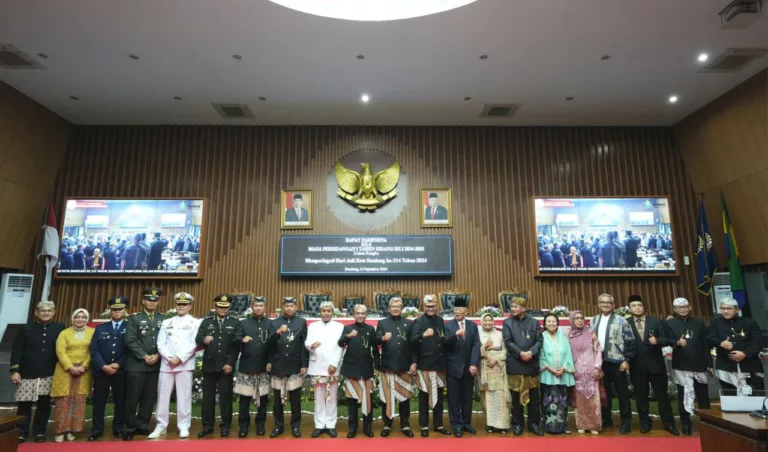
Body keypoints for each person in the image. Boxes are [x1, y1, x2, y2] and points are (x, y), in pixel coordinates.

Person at [10, 300, 65, 443]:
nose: (45, 313)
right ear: (36, 313)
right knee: (24, 404)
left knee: (44, 404)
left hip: (49, 372)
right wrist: (14, 371)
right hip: (26, 373)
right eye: (42, 310)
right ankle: (21, 432)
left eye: (49, 311)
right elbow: (17, 351)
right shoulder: (26, 328)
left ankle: (39, 431)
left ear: (53, 313)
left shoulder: (60, 328)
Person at [148, 292, 200, 439]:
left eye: (184, 304)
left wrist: (180, 357)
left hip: (184, 364)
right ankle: (160, 426)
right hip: (167, 364)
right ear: (175, 305)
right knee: (162, 396)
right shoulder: (167, 322)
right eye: (179, 304)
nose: (181, 306)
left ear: (190, 306)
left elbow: (194, 343)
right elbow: (160, 342)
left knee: (184, 396)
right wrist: (169, 357)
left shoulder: (195, 323)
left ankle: (183, 426)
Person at [627, 294, 679, 435]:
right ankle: (645, 423)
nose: (637, 308)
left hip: (656, 366)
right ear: (629, 308)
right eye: (634, 306)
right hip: (637, 367)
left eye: (640, 305)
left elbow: (669, 339)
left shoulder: (655, 321)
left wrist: (658, 341)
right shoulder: (626, 323)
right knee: (641, 398)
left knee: (662, 397)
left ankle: (669, 423)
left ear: (643, 307)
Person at [197, 294, 243, 438]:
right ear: (215, 307)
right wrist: (203, 340)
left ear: (229, 307)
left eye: (226, 307)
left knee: (225, 398)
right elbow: (198, 338)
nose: (223, 309)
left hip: (225, 366)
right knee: (208, 398)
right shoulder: (206, 322)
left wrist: (230, 363)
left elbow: (236, 346)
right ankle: (207, 426)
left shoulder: (235, 322)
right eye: (220, 307)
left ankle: (225, 426)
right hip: (210, 365)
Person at [123, 287, 165, 441]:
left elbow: (167, 340)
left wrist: (158, 355)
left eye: (155, 300)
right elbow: (130, 340)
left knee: (148, 398)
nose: (152, 303)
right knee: (132, 398)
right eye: (149, 300)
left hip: (155, 365)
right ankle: (130, 427)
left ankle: (142, 426)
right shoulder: (134, 319)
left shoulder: (163, 319)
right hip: (137, 365)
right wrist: (144, 356)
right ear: (143, 301)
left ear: (158, 302)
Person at [589, 293, 635, 434]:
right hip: (600, 363)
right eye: (602, 302)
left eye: (608, 302)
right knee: (604, 393)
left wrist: (627, 360)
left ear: (613, 304)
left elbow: (630, 341)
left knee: (622, 393)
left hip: (617, 362)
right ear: (598, 304)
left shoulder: (622, 320)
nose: (605, 304)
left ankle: (625, 422)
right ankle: (606, 419)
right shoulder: (594, 321)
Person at [666, 297, 710, 436]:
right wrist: (676, 343)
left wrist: (709, 364)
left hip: (699, 364)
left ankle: (708, 424)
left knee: (703, 396)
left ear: (690, 307)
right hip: (681, 364)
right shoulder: (669, 323)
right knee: (683, 395)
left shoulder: (698, 322)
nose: (683, 309)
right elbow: (666, 340)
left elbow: (705, 344)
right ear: (674, 309)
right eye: (680, 307)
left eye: (685, 306)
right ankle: (686, 425)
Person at [235, 296, 276, 437]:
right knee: (244, 400)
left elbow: (272, 345)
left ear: (265, 308)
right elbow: (235, 340)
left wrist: (270, 361)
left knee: (263, 399)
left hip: (263, 366)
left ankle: (260, 425)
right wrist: (242, 340)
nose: (258, 308)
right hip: (247, 366)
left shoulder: (270, 324)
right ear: (252, 307)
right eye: (256, 305)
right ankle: (244, 426)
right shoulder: (243, 323)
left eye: (261, 305)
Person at [51, 308, 95, 442]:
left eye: (83, 317)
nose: (80, 319)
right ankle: (60, 431)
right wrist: (70, 367)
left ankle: (71, 430)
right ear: (72, 318)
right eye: (77, 317)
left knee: (78, 400)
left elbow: (93, 350)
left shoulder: (93, 333)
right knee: (63, 401)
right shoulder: (64, 333)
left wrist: (84, 366)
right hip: (65, 370)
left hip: (84, 371)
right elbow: (60, 352)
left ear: (87, 319)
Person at [89, 297, 129, 441]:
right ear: (110, 311)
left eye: (120, 309)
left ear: (125, 310)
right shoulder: (100, 328)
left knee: (120, 401)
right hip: (102, 371)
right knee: (99, 401)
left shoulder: (130, 327)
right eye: (115, 309)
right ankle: (97, 429)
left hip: (121, 371)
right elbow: (94, 350)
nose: (117, 312)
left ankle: (118, 428)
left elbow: (130, 350)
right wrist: (103, 366)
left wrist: (118, 364)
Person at [375, 297, 417, 438]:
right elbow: (375, 340)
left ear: (402, 308)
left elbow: (413, 345)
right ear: (388, 308)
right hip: (388, 366)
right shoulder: (382, 323)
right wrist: (382, 339)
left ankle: (405, 424)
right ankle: (387, 424)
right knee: (387, 397)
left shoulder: (409, 323)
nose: (395, 308)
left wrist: (414, 362)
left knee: (405, 396)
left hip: (405, 366)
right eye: (393, 305)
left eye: (398, 306)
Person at [503, 297, 544, 436]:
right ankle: (518, 423)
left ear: (524, 308)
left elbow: (539, 340)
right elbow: (508, 341)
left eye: (516, 306)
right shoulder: (507, 323)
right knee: (516, 397)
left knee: (534, 398)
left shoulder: (534, 322)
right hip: (516, 364)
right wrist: (520, 353)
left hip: (531, 364)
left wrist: (530, 352)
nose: (513, 309)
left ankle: (533, 424)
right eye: (512, 306)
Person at [411, 294, 451, 437]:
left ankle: (439, 424)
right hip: (425, 365)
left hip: (439, 365)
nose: (430, 308)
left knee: (439, 397)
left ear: (436, 306)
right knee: (424, 397)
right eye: (428, 306)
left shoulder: (440, 320)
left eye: (433, 306)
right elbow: (412, 341)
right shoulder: (418, 321)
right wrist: (423, 335)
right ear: (424, 307)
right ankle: (424, 426)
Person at [269, 296, 308, 438]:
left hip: (295, 364)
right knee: (278, 400)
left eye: (292, 306)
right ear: (283, 307)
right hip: (278, 364)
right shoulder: (275, 322)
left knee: (295, 400)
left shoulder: (302, 322)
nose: (289, 308)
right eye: (286, 306)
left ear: (296, 307)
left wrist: (304, 364)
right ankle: (278, 426)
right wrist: (278, 332)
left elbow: (304, 344)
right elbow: (270, 343)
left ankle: (295, 426)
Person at [339, 304, 379, 438]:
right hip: (352, 369)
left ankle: (367, 428)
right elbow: (340, 343)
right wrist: (348, 337)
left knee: (367, 399)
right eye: (358, 313)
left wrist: (376, 367)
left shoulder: (370, 329)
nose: (360, 315)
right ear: (354, 315)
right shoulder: (348, 328)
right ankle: (352, 428)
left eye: (363, 313)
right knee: (352, 401)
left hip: (367, 369)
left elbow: (375, 349)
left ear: (366, 315)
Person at [304, 301, 344, 437]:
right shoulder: (313, 326)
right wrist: (311, 346)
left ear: (332, 312)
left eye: (329, 311)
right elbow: (307, 343)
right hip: (317, 365)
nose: (326, 313)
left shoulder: (339, 326)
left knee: (332, 397)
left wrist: (334, 363)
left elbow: (340, 346)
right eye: (324, 311)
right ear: (320, 312)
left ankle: (331, 424)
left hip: (332, 366)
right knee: (319, 397)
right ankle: (320, 424)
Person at [708, 297, 764, 392]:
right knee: (730, 397)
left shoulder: (749, 322)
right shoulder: (715, 323)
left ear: (737, 309)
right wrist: (721, 343)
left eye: (729, 308)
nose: (725, 311)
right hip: (726, 366)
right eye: (723, 308)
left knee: (755, 396)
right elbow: (709, 339)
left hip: (749, 365)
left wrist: (745, 353)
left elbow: (759, 341)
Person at [443, 298, 480, 437]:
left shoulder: (472, 326)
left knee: (467, 398)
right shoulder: (448, 326)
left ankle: (466, 423)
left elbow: (477, 344)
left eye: (460, 310)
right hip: (453, 367)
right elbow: (445, 342)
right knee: (454, 398)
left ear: (466, 311)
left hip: (468, 368)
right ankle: (456, 425)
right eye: (455, 310)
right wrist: (455, 335)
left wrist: (474, 363)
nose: (457, 312)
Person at [539, 313, 575, 434]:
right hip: (547, 374)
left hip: (562, 374)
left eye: (554, 321)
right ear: (544, 324)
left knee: (562, 401)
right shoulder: (541, 337)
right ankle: (548, 426)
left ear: (557, 323)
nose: (551, 323)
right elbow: (540, 356)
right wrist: (550, 369)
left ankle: (562, 426)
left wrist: (564, 368)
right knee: (548, 400)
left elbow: (569, 354)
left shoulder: (563, 337)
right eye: (548, 321)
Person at [568, 310, 602, 434]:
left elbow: (598, 350)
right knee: (580, 399)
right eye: (576, 318)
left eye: (581, 318)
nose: (580, 320)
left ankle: (594, 425)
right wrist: (571, 369)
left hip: (592, 371)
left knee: (593, 398)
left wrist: (597, 367)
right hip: (577, 372)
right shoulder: (568, 335)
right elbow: (566, 354)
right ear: (572, 320)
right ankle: (581, 424)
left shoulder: (591, 333)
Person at [477, 313, 510, 434]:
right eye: (485, 320)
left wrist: (496, 359)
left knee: (500, 395)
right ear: (481, 321)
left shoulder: (500, 334)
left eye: (490, 320)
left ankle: (502, 425)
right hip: (485, 367)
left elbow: (506, 350)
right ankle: (489, 424)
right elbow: (475, 350)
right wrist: (484, 348)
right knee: (487, 396)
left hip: (499, 367)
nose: (487, 322)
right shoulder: (477, 334)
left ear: (493, 321)